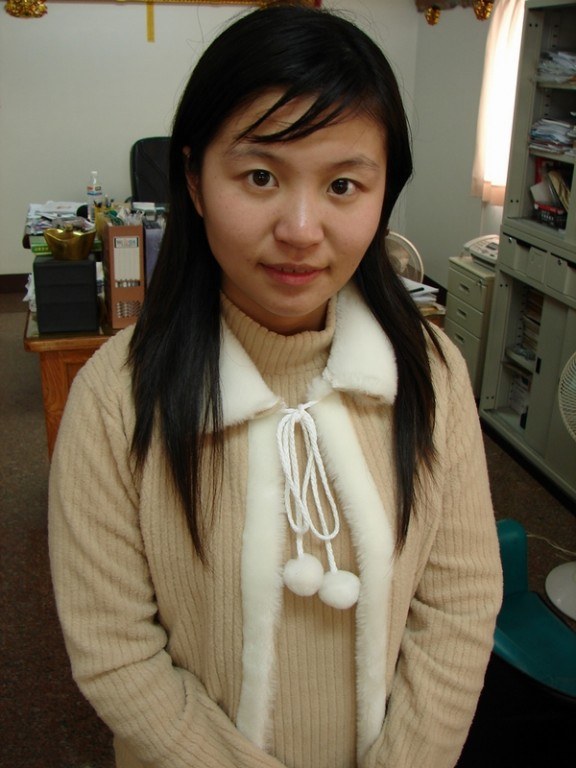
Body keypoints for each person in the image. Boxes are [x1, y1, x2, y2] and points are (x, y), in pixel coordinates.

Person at [48, 4, 503, 768]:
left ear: (383, 192)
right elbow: (116, 651)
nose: (300, 228)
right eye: (260, 176)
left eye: (343, 185)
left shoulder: (430, 373)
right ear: (194, 180)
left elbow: (458, 607)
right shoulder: (115, 397)